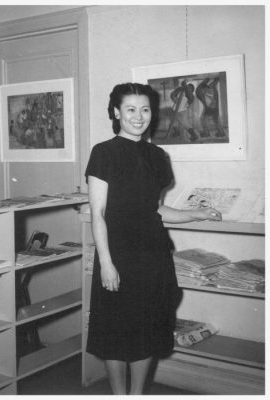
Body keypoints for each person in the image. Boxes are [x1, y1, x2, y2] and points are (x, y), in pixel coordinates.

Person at [85, 82, 222, 395]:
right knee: (116, 330)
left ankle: (136, 395)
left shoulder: (158, 155)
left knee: (146, 328)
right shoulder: (103, 153)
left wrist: (196, 214)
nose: (138, 116)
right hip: (117, 254)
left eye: (145, 109)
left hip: (153, 255)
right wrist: (106, 263)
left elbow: (157, 210)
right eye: (130, 109)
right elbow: (98, 214)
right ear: (116, 112)